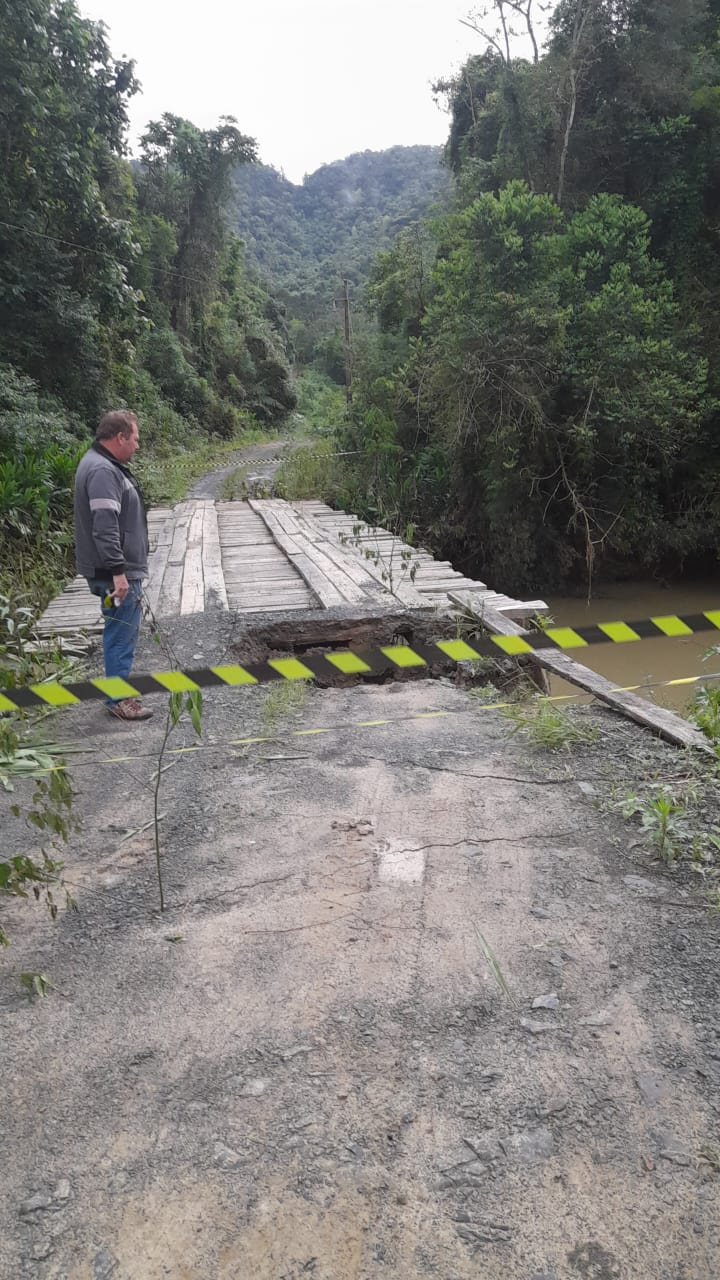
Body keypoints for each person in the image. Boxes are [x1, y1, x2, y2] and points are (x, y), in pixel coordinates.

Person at [74, 410, 153, 721]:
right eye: (135, 439)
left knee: (118, 628)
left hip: (113, 570)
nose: (137, 445)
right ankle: (118, 700)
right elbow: (104, 526)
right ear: (120, 437)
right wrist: (119, 572)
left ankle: (117, 692)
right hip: (114, 575)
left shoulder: (101, 464)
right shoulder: (103, 472)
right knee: (121, 631)